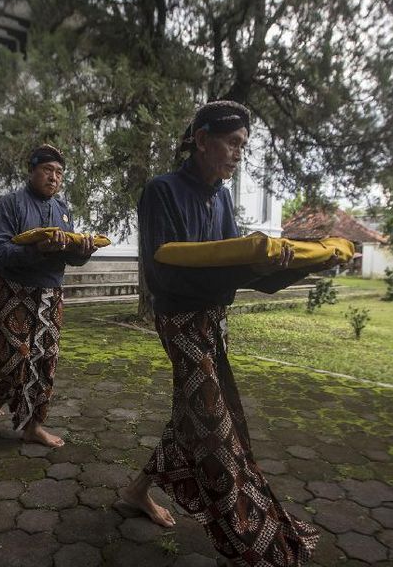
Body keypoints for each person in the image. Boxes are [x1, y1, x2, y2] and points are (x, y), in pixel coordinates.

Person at [120, 101, 321, 566]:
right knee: (213, 427)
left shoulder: (223, 198)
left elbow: (237, 267)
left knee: (192, 412)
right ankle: (248, 540)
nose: (237, 155)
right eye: (232, 144)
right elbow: (162, 274)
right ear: (201, 139)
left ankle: (135, 492)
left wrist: (294, 267)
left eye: (243, 147)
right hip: (180, 321)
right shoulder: (161, 192)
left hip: (213, 320)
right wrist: (241, 268)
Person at [0, 144, 98, 448]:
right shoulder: (10, 204)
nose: (54, 177)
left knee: (46, 358)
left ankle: (34, 425)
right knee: (12, 357)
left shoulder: (63, 210)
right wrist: (36, 249)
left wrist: (82, 252)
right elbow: (0, 252)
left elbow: (68, 257)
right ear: (31, 171)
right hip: (14, 291)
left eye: (59, 172)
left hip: (50, 294)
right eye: (47, 170)